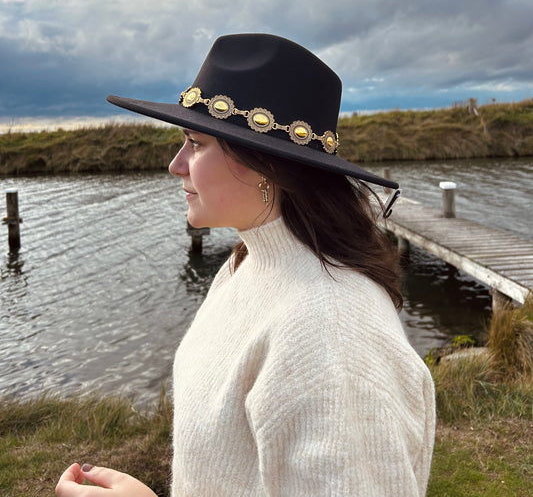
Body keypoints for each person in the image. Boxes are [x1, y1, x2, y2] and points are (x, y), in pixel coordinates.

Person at [56, 33, 435, 497]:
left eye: (195, 143)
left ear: (264, 166)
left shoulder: (332, 334)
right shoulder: (244, 265)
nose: (176, 165)